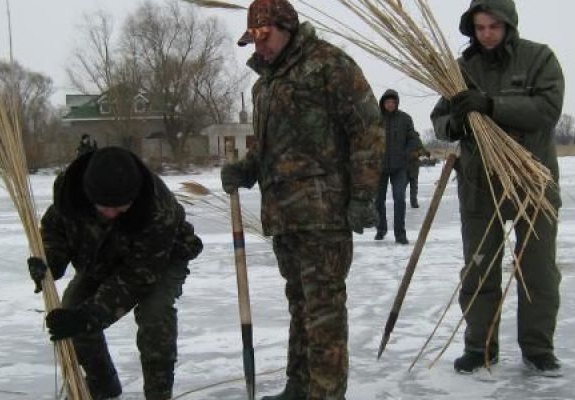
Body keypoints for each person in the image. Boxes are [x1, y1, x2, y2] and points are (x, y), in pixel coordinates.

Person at [221, 0, 384, 398]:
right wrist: (247, 169)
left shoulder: (329, 65)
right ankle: (300, 386)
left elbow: (368, 131)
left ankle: (325, 393)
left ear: (287, 27)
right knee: (300, 307)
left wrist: (363, 196)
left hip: (324, 217)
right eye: (253, 41)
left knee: (324, 312)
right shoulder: (264, 86)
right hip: (284, 218)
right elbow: (269, 149)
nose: (259, 47)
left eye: (265, 37)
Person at [430, 0, 565, 377]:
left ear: (508, 24)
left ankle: (538, 348)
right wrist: (454, 124)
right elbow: (440, 118)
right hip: (479, 184)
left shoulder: (539, 59)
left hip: (530, 180)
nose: (486, 34)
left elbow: (546, 109)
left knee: (536, 270)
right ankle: (480, 346)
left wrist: (491, 105)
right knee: (479, 269)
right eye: (479, 27)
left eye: (493, 26)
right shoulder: (461, 69)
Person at [27, 146, 203, 399]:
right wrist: (49, 263)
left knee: (155, 314)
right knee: (72, 307)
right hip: (101, 257)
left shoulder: (157, 209)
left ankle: (158, 393)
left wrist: (90, 316)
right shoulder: (71, 191)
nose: (110, 214)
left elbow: (136, 279)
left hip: (161, 259)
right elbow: (56, 231)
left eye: (120, 208)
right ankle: (102, 385)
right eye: (103, 207)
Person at [374, 89, 419, 245]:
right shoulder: (376, 119)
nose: (390, 105)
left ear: (397, 103)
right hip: (380, 167)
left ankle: (400, 234)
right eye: (387, 102)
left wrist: (405, 154)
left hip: (399, 167)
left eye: (393, 102)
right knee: (378, 200)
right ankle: (381, 229)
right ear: (383, 103)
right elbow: (368, 139)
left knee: (399, 199)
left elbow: (413, 139)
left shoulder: (405, 119)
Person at [406, 137, 431, 209]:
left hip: (413, 167)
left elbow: (421, 150)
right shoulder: (403, 139)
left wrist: (426, 153)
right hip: (405, 167)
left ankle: (414, 202)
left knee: (414, 186)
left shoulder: (416, 140)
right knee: (403, 187)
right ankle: (403, 203)